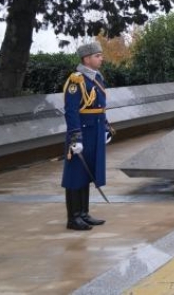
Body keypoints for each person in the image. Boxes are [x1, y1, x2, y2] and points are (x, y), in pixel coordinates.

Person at [61, 41, 112, 230]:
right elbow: (71, 111)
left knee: (87, 173)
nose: (101, 58)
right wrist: (76, 137)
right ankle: (73, 218)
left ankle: (83, 213)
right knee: (75, 175)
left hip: (94, 132)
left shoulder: (96, 78)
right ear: (86, 59)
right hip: (81, 133)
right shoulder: (76, 80)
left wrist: (105, 128)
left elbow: (100, 107)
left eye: (100, 55)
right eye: (97, 56)